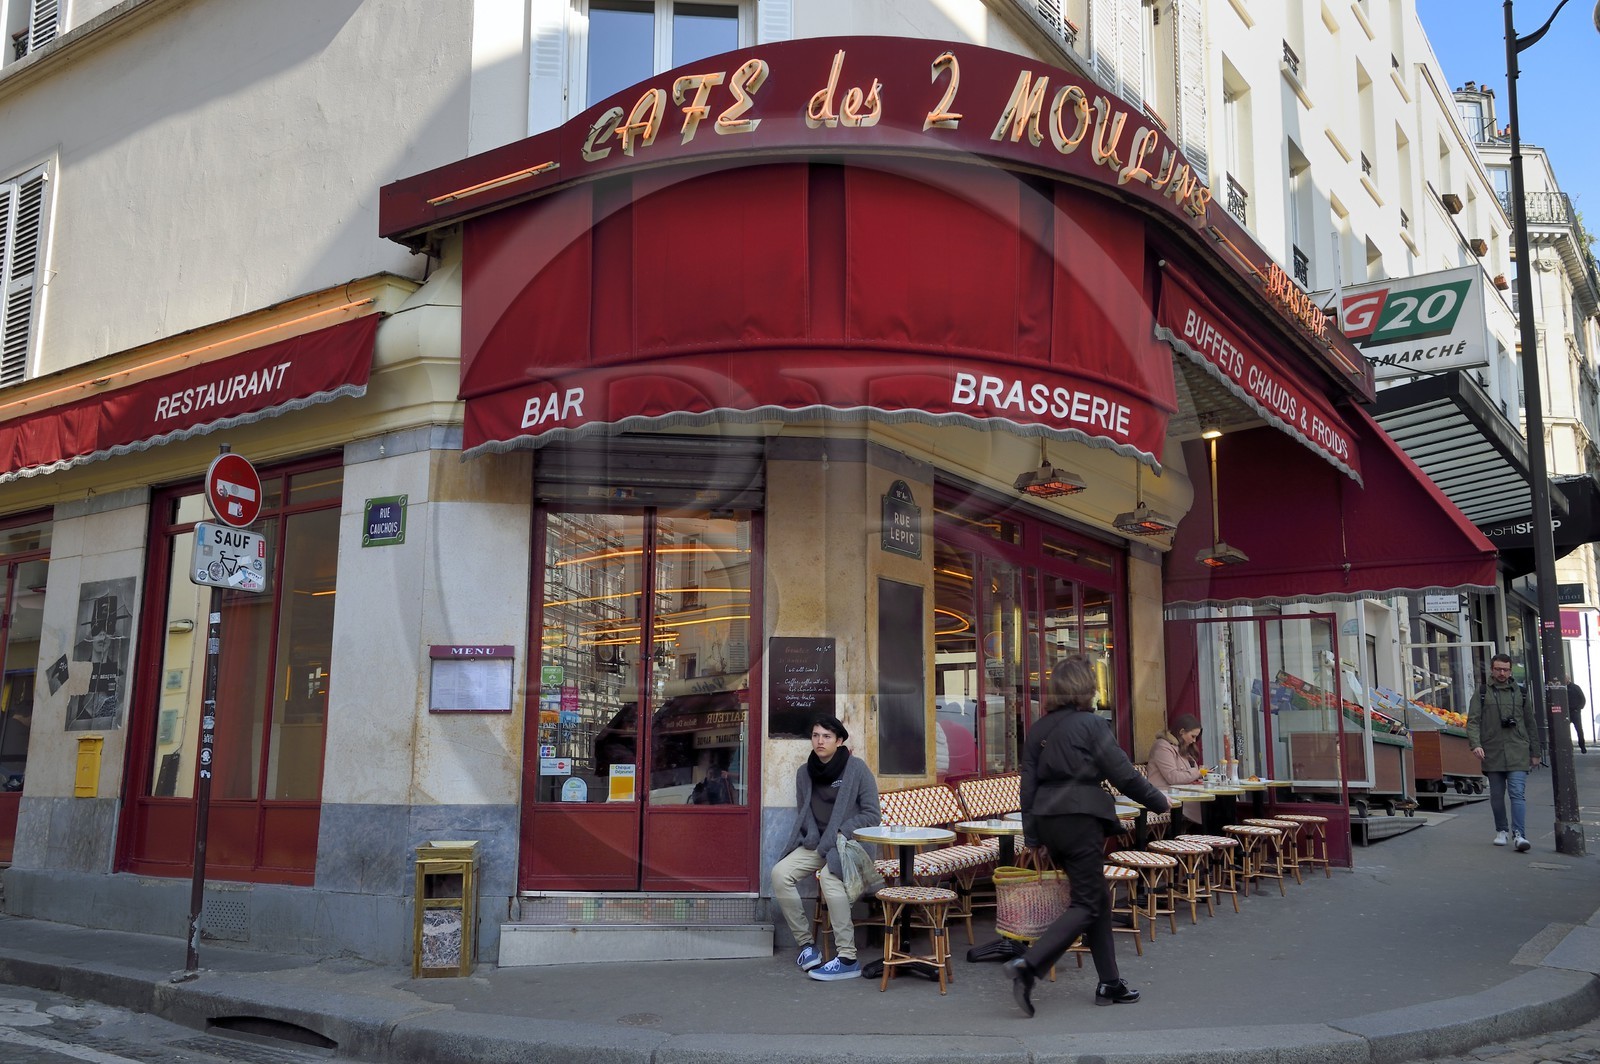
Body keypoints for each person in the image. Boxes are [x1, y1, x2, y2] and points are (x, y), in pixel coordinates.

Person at [1005, 656, 1171, 1016]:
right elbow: (1123, 774)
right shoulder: (1091, 725)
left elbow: (1027, 785)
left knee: (1094, 898)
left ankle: (1109, 982)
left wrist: (1033, 835)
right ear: (1085, 688)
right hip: (1080, 818)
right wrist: (1160, 801)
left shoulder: (1039, 729)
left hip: (1049, 820)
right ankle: (1029, 966)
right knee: (1086, 902)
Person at [770, 714, 881, 981]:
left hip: (846, 845)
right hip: (816, 845)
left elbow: (872, 815)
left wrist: (840, 832)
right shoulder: (804, 772)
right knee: (779, 874)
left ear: (839, 740)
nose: (820, 741)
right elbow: (804, 811)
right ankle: (807, 946)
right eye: (816, 735)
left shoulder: (856, 769)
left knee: (831, 878)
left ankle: (847, 957)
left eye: (827, 736)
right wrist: (813, 839)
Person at [1466, 653, 1542, 853]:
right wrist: (1475, 744)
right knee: (1497, 795)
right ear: (1492, 669)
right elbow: (1473, 720)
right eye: (1498, 669)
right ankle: (1502, 830)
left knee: (1517, 793)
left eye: (1506, 669)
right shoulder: (1482, 692)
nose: (1502, 673)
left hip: (1518, 749)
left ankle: (1519, 834)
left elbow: (1530, 723)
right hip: (1492, 750)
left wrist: (1536, 751)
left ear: (1510, 670)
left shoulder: (1522, 693)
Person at [1145, 713, 1205, 824]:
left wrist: (1198, 774)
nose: (1194, 741)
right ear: (1182, 732)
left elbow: (1192, 772)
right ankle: (1212, 834)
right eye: (1193, 736)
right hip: (1165, 795)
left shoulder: (1183, 748)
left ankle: (1221, 833)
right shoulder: (1162, 746)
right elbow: (1173, 777)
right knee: (1206, 803)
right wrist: (1197, 772)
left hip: (1182, 793)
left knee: (1215, 800)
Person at [1567, 678, 1588, 754]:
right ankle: (1569, 745)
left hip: (1575, 712)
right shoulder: (1563, 688)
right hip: (1568, 712)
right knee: (1567, 730)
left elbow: (1582, 699)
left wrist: (1579, 708)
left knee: (1579, 729)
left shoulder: (1575, 688)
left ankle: (1582, 745)